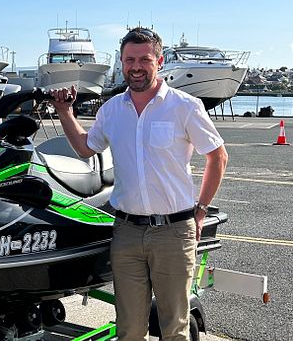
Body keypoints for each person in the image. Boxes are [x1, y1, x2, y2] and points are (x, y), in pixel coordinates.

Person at [50, 28, 228, 340]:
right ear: (122, 62)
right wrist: (65, 111)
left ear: (159, 61)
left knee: (174, 328)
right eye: (129, 59)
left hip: (174, 232)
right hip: (127, 233)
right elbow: (84, 146)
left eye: (144, 59)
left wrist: (199, 212)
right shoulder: (112, 111)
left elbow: (218, 156)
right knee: (129, 330)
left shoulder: (184, 106)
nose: (136, 66)